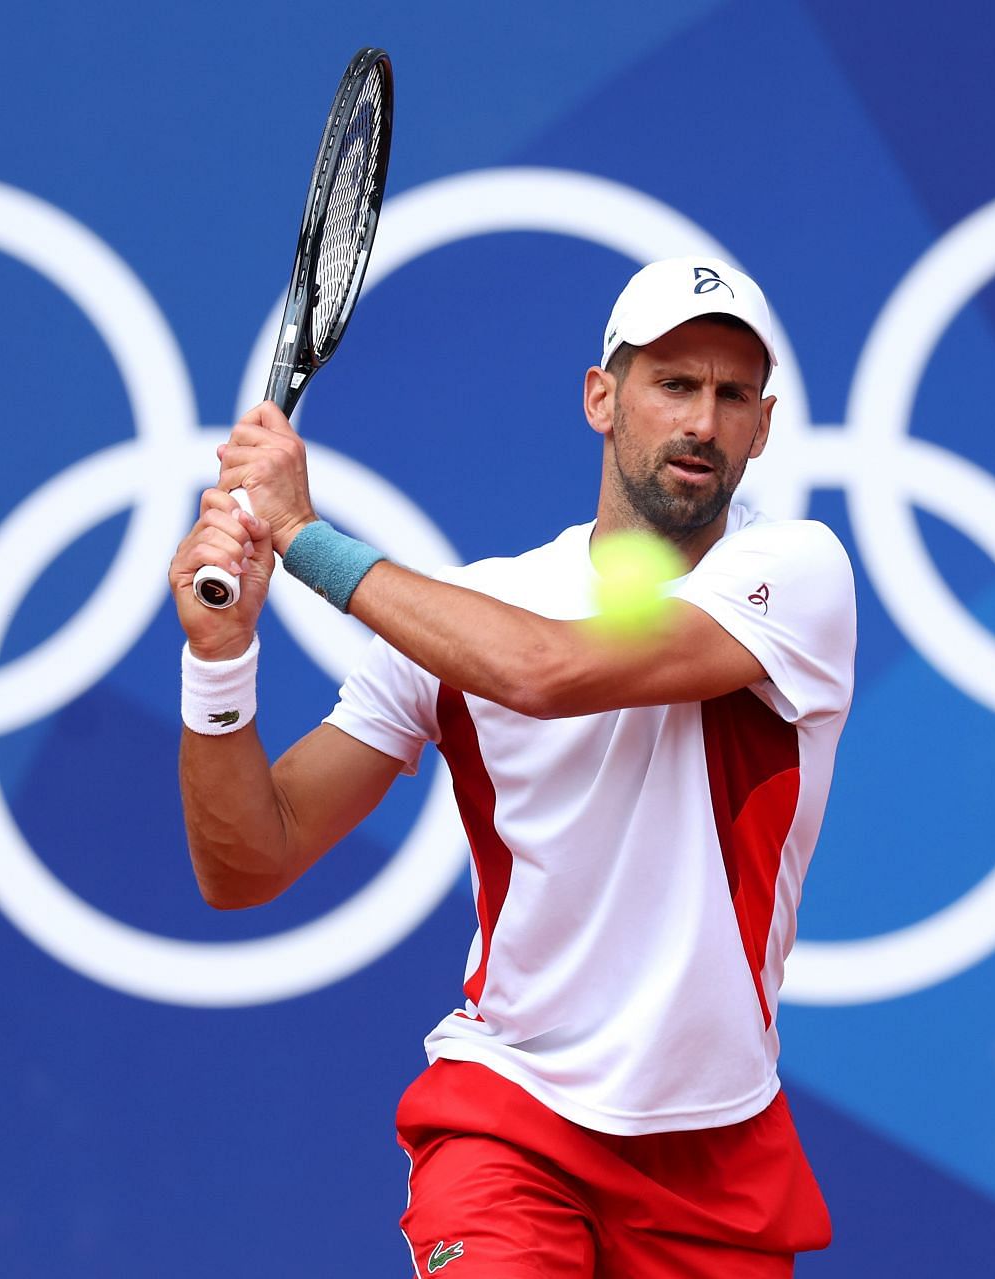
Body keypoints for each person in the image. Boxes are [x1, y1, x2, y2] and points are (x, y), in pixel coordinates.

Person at [170, 258, 856, 1277]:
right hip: (511, 1121)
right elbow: (248, 864)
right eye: (673, 383)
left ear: (763, 424)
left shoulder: (798, 577)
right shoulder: (454, 620)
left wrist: (306, 541)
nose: (703, 423)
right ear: (601, 397)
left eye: (730, 394)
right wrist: (218, 666)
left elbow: (544, 670)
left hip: (715, 1154)